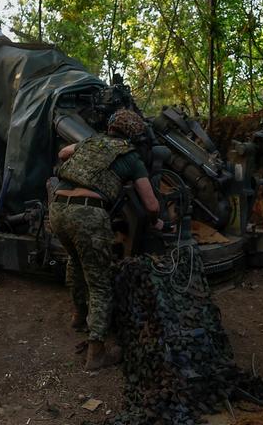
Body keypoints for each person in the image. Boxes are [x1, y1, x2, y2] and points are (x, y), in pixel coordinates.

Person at [49, 108, 164, 370]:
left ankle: (78, 315)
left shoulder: (91, 141)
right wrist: (156, 218)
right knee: (100, 282)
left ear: (111, 127)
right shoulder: (131, 157)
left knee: (75, 262)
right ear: (134, 134)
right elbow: (150, 203)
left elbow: (63, 153)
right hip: (87, 214)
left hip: (58, 208)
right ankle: (97, 351)